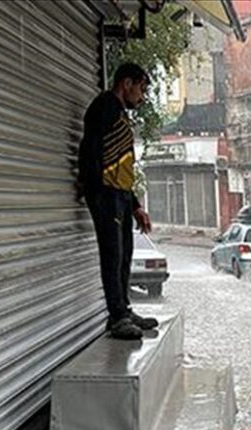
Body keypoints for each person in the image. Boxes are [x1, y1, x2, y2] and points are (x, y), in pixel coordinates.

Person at [78, 62, 158, 340]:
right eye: (141, 88)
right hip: (106, 194)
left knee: (124, 255)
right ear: (127, 83)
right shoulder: (105, 106)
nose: (142, 95)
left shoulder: (120, 113)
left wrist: (135, 204)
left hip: (120, 194)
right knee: (112, 255)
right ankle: (117, 317)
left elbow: (121, 165)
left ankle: (124, 308)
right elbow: (89, 149)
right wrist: (94, 188)